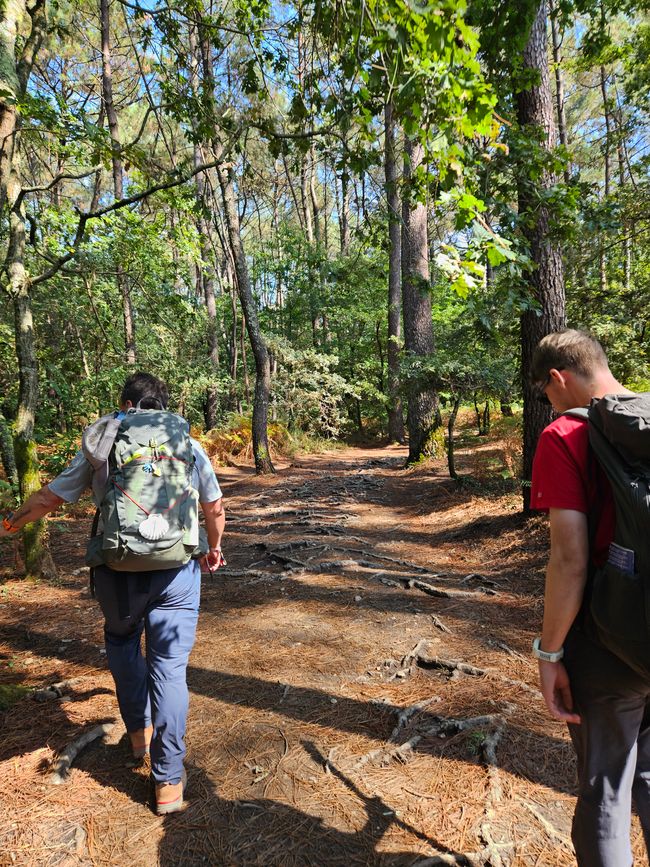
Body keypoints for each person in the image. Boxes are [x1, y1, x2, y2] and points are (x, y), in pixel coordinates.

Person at [0, 372, 225, 814]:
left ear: (125, 404)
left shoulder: (105, 441)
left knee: (122, 643)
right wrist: (214, 548)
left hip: (116, 570)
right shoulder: (187, 444)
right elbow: (213, 506)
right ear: (164, 406)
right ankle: (168, 784)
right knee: (170, 670)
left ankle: (138, 735)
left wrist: (10, 523)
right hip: (177, 571)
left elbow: (49, 499)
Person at [530, 329, 648, 866]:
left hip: (610, 641)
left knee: (605, 792)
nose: (548, 404)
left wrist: (550, 652)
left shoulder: (563, 435)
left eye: (544, 392)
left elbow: (570, 560)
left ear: (559, 377)